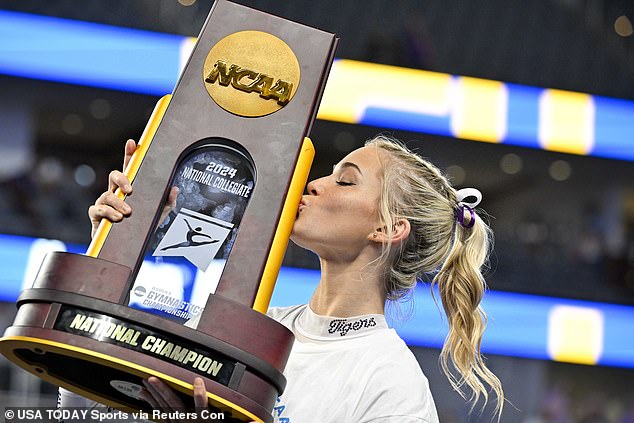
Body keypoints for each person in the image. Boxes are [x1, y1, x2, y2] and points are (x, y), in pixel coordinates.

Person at [65, 135, 504, 422]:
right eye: (329, 173)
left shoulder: (392, 383)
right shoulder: (251, 330)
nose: (313, 184)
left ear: (388, 229)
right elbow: (87, 404)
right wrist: (116, 258)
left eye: (345, 182)